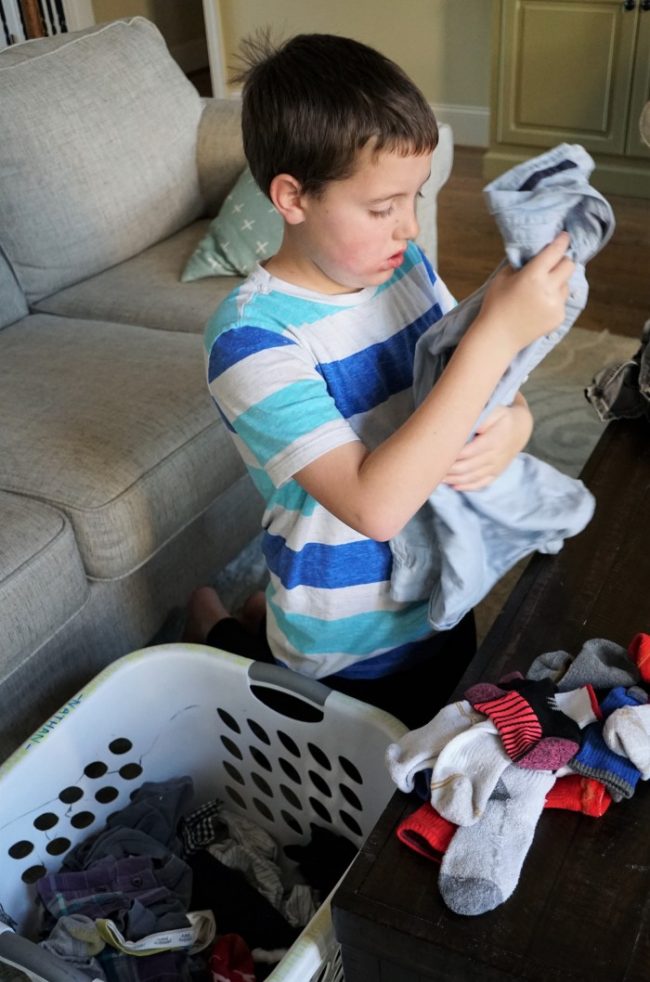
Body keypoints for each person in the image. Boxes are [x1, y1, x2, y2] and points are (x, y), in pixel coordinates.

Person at [185, 32, 574, 729]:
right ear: (292, 197)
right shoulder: (251, 338)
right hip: (342, 645)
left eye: (415, 197)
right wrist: (496, 334)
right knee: (356, 802)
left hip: (438, 594)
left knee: (450, 732)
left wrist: (516, 424)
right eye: (381, 207)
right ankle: (212, 619)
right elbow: (374, 507)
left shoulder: (406, 268)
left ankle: (251, 611)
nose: (410, 225)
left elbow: (471, 384)